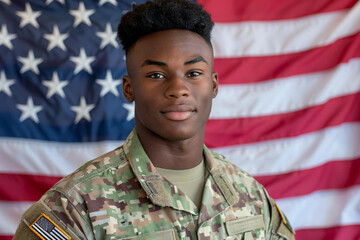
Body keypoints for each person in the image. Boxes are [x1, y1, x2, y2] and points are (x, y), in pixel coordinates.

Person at [13, 0, 295, 239]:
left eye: (194, 73)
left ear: (214, 85)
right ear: (129, 88)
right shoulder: (74, 207)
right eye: (156, 75)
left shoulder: (251, 196)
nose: (178, 89)